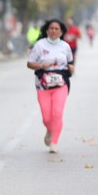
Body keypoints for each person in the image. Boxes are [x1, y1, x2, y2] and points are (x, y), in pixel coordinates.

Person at [27, 19, 74, 154]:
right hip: (43, 85)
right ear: (47, 30)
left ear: (61, 32)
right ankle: (50, 130)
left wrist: (71, 68)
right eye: (51, 28)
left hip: (61, 84)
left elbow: (70, 62)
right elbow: (29, 64)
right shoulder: (40, 45)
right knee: (47, 118)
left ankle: (54, 142)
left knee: (57, 113)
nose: (53, 31)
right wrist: (42, 65)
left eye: (56, 28)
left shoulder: (65, 46)